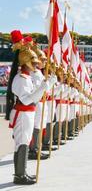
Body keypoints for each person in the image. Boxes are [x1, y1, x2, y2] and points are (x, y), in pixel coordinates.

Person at [6, 30, 56, 185]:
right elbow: (27, 100)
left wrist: (45, 86)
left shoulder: (26, 78)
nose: (36, 65)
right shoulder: (21, 79)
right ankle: (19, 175)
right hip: (23, 113)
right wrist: (43, 87)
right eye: (33, 62)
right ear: (26, 62)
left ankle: (22, 173)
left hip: (27, 113)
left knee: (25, 142)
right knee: (21, 143)